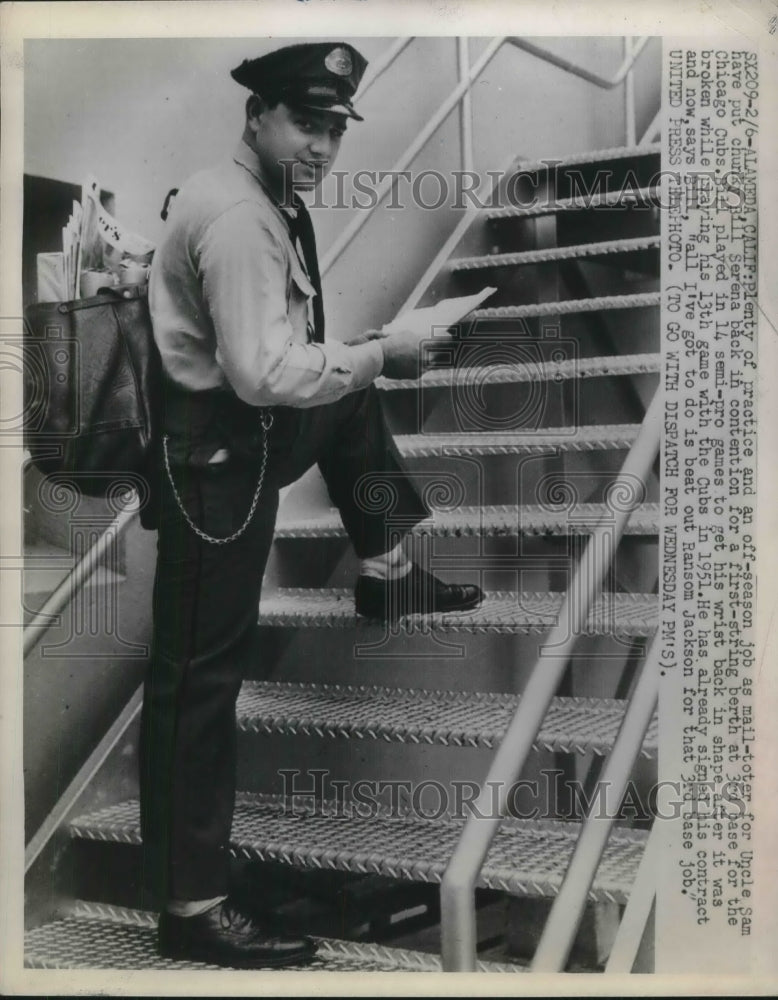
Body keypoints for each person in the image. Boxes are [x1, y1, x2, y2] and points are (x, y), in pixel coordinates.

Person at [142, 41, 483, 969]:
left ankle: (386, 571)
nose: (324, 146)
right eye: (306, 123)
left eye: (335, 129)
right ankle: (191, 904)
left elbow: (299, 368)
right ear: (255, 116)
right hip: (214, 467)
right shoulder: (243, 217)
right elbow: (259, 376)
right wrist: (382, 349)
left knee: (353, 386)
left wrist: (368, 355)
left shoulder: (271, 201)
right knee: (198, 683)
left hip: (240, 446)